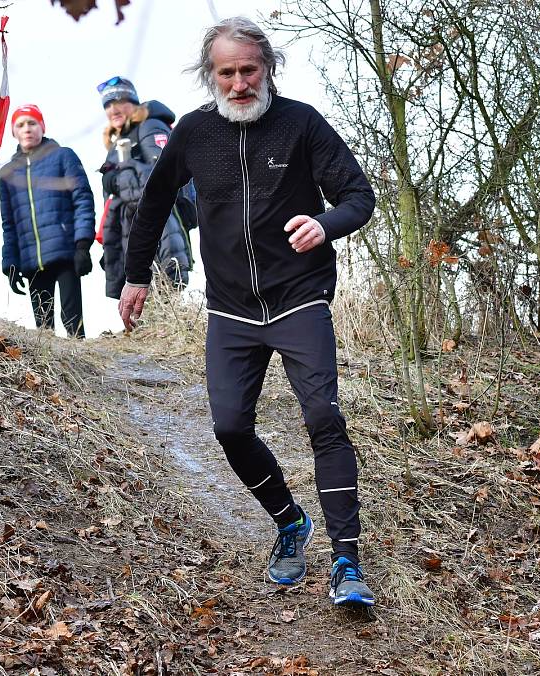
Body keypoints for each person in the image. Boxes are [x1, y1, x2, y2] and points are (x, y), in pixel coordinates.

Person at [119, 18, 377, 607]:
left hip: (299, 298)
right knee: (230, 425)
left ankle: (346, 560)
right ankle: (289, 522)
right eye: (226, 72)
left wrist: (324, 223)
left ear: (269, 69)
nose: (238, 83)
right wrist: (136, 277)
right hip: (231, 310)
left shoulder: (302, 124)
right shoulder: (193, 133)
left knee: (322, 418)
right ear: (210, 76)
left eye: (247, 70)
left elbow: (358, 196)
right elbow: (154, 201)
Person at [0, 104, 95, 337]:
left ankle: (83, 365)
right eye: (20, 125)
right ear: (14, 132)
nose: (27, 129)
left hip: (65, 252)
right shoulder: (8, 174)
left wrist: (82, 245)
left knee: (73, 324)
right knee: (44, 331)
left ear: (42, 126)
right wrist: (9, 262)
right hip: (31, 259)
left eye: (32, 123)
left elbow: (83, 199)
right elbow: (8, 222)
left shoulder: (63, 156)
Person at [96, 76, 194, 300]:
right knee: (140, 295)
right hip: (129, 226)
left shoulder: (151, 125)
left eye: (120, 101)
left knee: (165, 288)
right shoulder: (118, 141)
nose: (114, 109)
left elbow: (161, 177)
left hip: (160, 223)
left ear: (134, 102)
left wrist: (117, 177)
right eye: (108, 105)